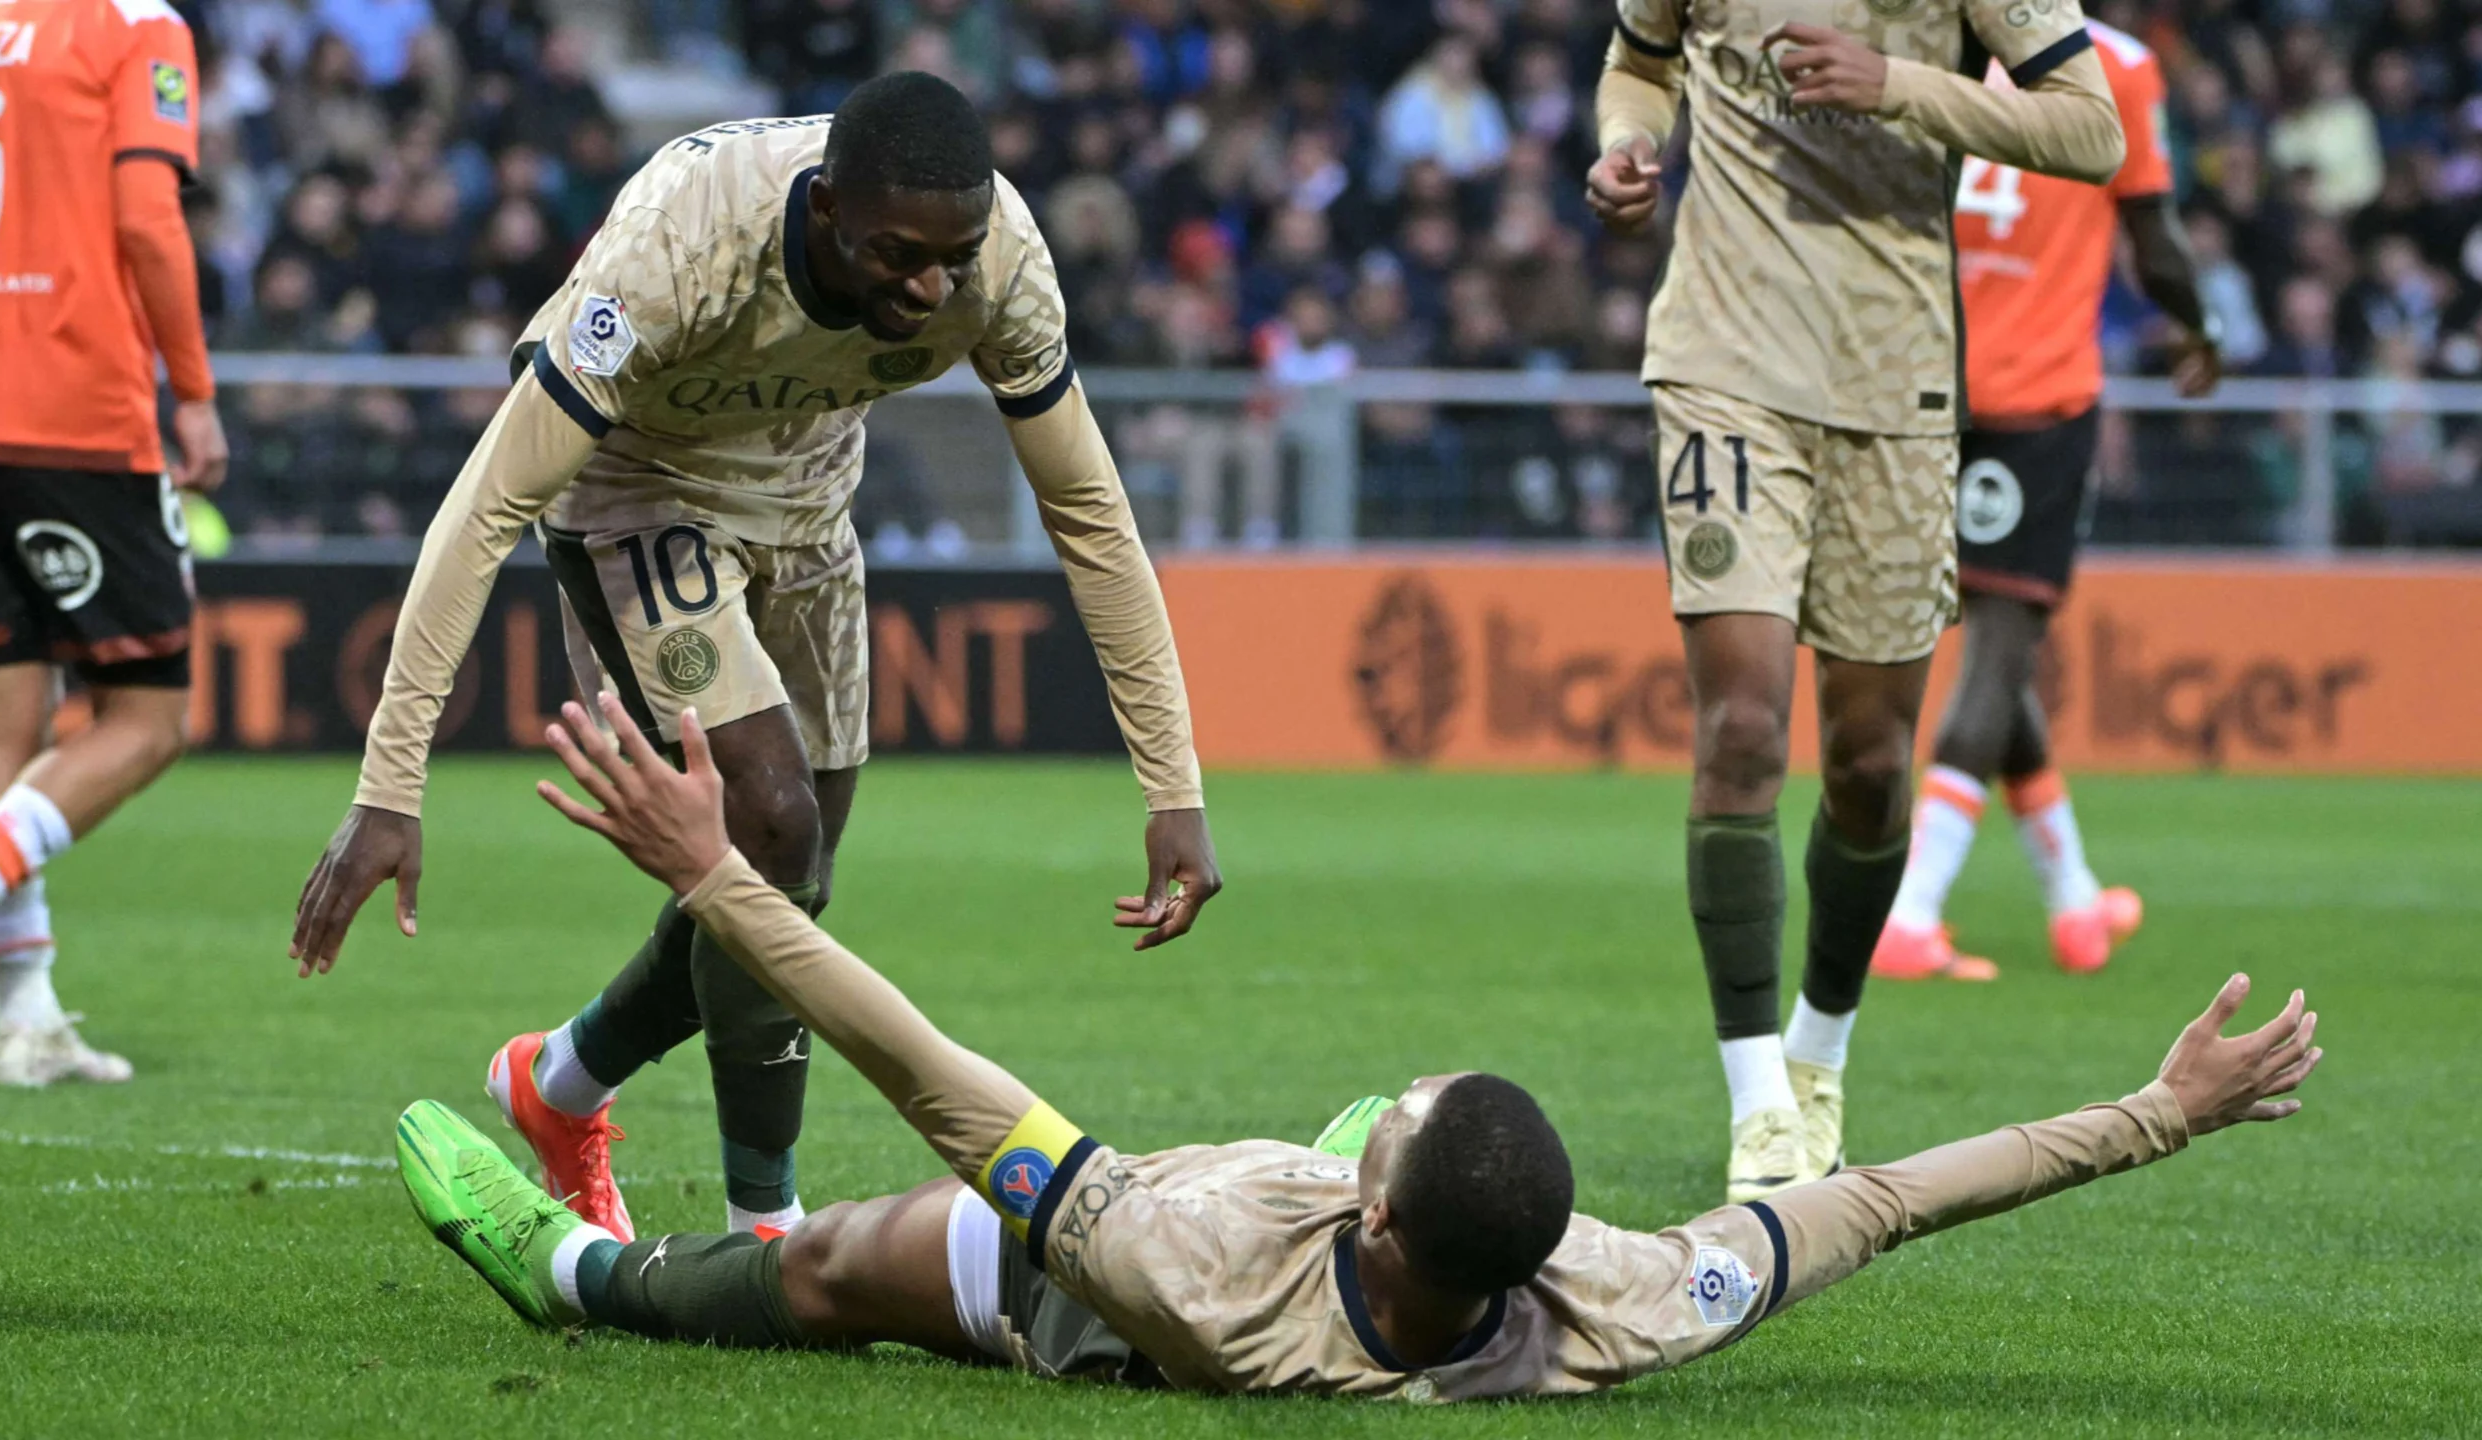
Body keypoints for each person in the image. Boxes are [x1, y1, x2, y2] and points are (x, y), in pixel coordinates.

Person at [394, 692, 2321, 1398]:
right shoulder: (1621, 1296)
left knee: (834, 1267)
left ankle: (569, 1269)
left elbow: (942, 1079)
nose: (1402, 1100)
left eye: (1396, 1130)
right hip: (1352, 1244)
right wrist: (2155, 1110)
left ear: (1378, 1210)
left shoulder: (1190, 1271)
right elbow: (1884, 1200)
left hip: (1096, 1281)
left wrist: (725, 882)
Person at [291, 73, 1220, 1243]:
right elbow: (481, 507)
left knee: (795, 875)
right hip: (639, 492)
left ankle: (560, 1082)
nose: (933, 286)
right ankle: (764, 1233)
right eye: (898, 256)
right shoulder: (684, 239)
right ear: (825, 209)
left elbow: (1091, 513)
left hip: (812, 507)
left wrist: (1172, 784)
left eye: (955, 255)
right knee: (771, 826)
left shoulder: (1003, 262)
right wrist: (390, 785)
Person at [1582, 0, 2125, 1201]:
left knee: (1874, 762)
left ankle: (1819, 1048)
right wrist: (1628, 146)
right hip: (1722, 364)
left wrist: (1894, 83)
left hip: (1898, 390)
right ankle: (1758, 1101)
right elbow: (1637, 65)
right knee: (1740, 727)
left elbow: (2095, 133)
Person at [1876, 18, 2221, 985]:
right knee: (1998, 649)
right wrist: (2204, 328)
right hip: (2037, 399)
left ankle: (2074, 900)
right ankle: (1913, 911)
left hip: (1923, 384)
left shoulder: (1934, 41)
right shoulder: (2121, 65)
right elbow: (2153, 242)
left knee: (2001, 648)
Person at [0, 0, 228, 1084]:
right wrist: (192, 395)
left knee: (5, 719)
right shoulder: (135, 22)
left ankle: (26, 1021)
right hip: (72, 409)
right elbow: (149, 218)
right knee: (147, 720)